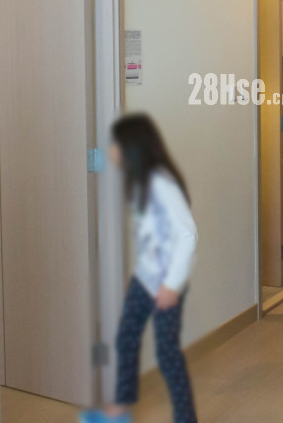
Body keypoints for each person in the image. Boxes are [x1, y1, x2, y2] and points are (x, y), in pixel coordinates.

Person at [81, 114, 198, 423]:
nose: (111, 150)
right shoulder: (140, 182)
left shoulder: (161, 183)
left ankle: (186, 419)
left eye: (115, 144)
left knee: (167, 354)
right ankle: (120, 410)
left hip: (166, 283)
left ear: (132, 146)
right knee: (126, 338)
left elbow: (188, 235)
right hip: (144, 278)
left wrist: (171, 285)